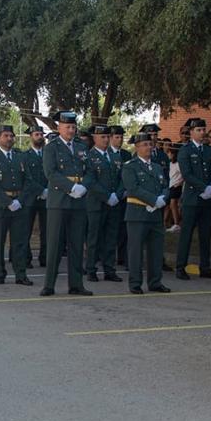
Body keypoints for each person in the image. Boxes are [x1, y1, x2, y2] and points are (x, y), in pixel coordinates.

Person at [41, 111, 94, 297]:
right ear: (59, 128)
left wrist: (83, 187)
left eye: (73, 127)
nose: (71, 130)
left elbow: (91, 171)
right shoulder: (52, 147)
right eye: (67, 127)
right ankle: (49, 284)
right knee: (54, 244)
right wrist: (71, 187)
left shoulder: (81, 147)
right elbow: (51, 173)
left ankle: (76, 284)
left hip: (78, 202)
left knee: (77, 244)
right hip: (59, 201)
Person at [0, 125, 34, 286]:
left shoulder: (20, 157)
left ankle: (21, 274)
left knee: (19, 242)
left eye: (11, 136)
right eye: (6, 135)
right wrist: (8, 202)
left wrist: (20, 201)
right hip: (0, 205)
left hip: (19, 204)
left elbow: (28, 181)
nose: (9, 138)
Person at [122, 131, 172, 294]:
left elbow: (165, 185)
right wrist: (153, 200)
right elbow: (133, 188)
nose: (149, 147)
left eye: (150, 144)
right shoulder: (130, 166)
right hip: (137, 214)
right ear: (136, 147)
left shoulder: (157, 167)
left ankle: (155, 282)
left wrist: (162, 199)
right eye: (145, 144)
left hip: (155, 215)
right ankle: (135, 283)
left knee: (156, 250)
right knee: (136, 251)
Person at [175, 117, 211, 280]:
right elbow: (187, 174)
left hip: (207, 199)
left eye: (203, 130)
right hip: (192, 199)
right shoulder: (185, 150)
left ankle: (205, 267)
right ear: (191, 132)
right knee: (186, 234)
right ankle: (180, 266)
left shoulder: (209, 150)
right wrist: (203, 188)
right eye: (199, 130)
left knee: (205, 235)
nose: (202, 133)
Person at [84, 124, 124, 284]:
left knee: (111, 237)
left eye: (108, 136)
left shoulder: (115, 156)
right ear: (94, 138)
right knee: (94, 238)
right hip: (96, 203)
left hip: (114, 203)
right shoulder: (89, 157)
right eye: (103, 137)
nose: (106, 139)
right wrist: (107, 196)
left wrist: (117, 195)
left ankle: (109, 269)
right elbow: (91, 181)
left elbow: (122, 179)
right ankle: (91, 269)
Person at [22, 124, 49, 269]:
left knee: (46, 231)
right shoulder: (25, 156)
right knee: (26, 229)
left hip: (48, 197)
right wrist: (41, 191)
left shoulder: (49, 154)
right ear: (31, 137)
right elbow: (27, 178)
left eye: (41, 134)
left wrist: (48, 190)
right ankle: (26, 259)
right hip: (30, 198)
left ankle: (44, 258)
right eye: (36, 135)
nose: (39, 137)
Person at [109, 125, 132, 267]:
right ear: (111, 138)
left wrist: (123, 191)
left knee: (124, 229)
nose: (120, 140)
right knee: (111, 229)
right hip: (111, 196)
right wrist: (115, 194)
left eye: (121, 137)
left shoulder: (126, 155)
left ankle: (122, 256)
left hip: (124, 195)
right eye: (117, 137)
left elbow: (127, 175)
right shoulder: (106, 154)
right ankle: (108, 256)